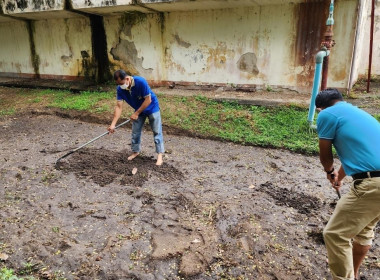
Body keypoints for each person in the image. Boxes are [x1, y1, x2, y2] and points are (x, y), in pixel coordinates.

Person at [315, 88, 380, 280]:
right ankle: (354, 272)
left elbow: (324, 152)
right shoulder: (357, 113)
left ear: (321, 108)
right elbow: (360, 155)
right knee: (363, 230)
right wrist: (339, 177)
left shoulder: (326, 114)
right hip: (375, 181)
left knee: (335, 234)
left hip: (372, 184)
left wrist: (329, 171)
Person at [108, 70, 164, 166]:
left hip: (152, 107)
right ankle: (135, 152)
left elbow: (148, 99)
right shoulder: (120, 89)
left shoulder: (140, 81)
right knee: (135, 131)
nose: (120, 86)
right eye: (118, 84)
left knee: (156, 131)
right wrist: (113, 124)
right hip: (139, 110)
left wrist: (137, 113)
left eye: (121, 83)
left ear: (127, 79)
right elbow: (119, 106)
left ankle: (160, 155)